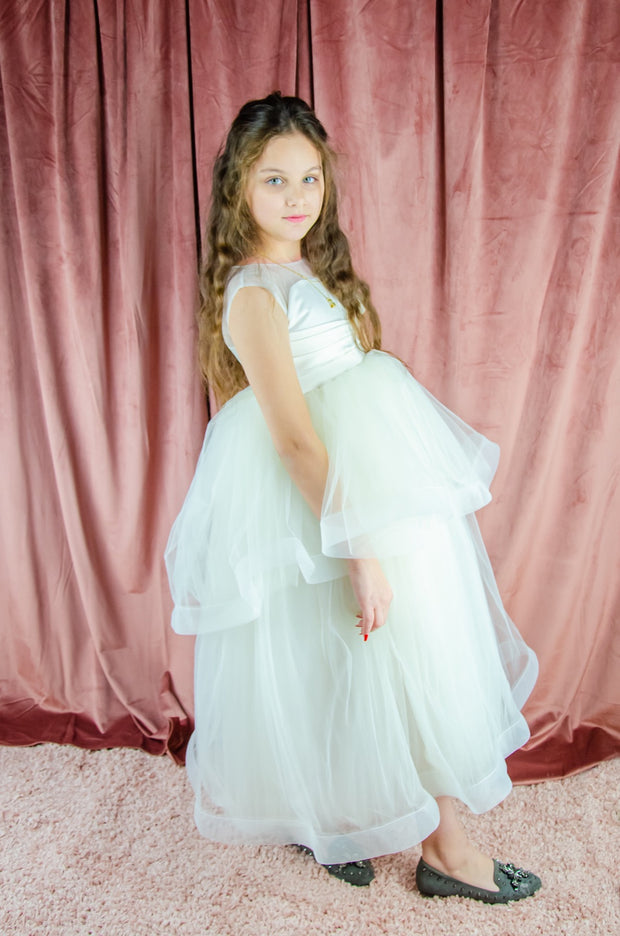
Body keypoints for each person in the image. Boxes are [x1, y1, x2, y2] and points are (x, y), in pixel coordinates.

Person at [165, 92, 542, 903]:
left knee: (375, 655)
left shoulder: (308, 267)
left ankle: (369, 821)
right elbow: (296, 440)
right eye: (275, 181)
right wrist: (359, 548)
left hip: (365, 479)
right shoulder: (255, 294)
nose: (297, 197)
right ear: (237, 188)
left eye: (309, 178)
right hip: (316, 501)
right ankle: (444, 847)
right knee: (363, 652)